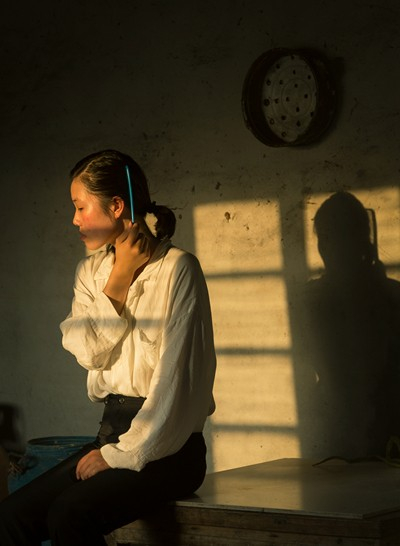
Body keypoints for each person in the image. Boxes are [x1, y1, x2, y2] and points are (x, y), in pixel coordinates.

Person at [0, 149, 217, 545]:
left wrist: (118, 455)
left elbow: (176, 387)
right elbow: (87, 351)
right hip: (111, 435)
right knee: (11, 517)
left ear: (116, 206)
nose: (74, 219)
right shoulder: (90, 271)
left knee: (70, 514)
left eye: (80, 207)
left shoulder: (178, 269)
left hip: (170, 449)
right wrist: (119, 277)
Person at [296, 191, 400, 459]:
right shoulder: (312, 298)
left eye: (336, 236)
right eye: (324, 238)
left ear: (359, 239)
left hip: (385, 428)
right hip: (333, 429)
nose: (328, 248)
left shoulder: (391, 296)